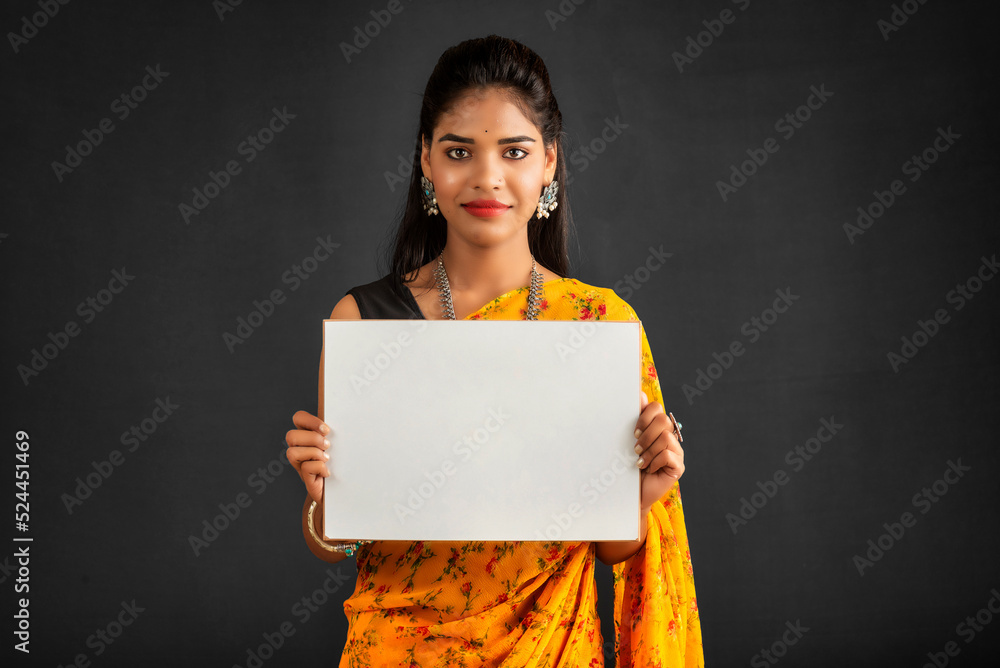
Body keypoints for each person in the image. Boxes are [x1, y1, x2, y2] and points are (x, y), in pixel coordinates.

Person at [285, 34, 703, 667]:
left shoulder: (596, 323)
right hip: (398, 649)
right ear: (426, 161)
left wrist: (641, 494)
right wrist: (323, 496)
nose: (487, 177)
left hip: (553, 651)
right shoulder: (367, 321)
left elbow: (612, 547)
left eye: (514, 151)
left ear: (549, 163)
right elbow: (339, 542)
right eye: (460, 151)